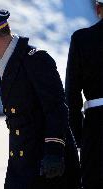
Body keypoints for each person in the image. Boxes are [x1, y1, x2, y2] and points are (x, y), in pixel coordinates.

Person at [0, 8, 81, 189]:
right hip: (22, 162)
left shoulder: (35, 59)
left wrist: (54, 151)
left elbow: (56, 108)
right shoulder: (8, 62)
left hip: (46, 162)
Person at [65, 1, 103, 188]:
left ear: (98, 9)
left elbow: (72, 94)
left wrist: (78, 136)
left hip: (96, 127)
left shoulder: (82, 39)